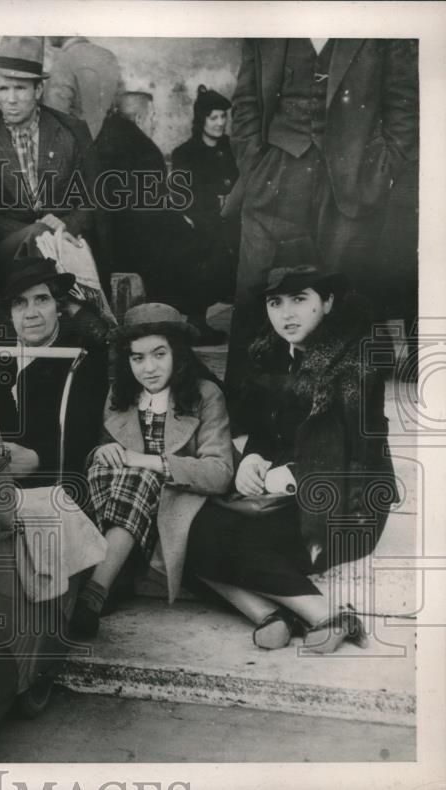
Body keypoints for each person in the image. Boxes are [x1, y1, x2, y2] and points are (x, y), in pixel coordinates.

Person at [186, 238, 397, 653]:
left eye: (300, 299)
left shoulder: (357, 365)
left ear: (329, 302)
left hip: (346, 503)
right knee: (187, 531)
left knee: (239, 543)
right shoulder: (272, 358)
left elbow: (362, 454)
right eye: (276, 303)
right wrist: (252, 460)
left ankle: (330, 617)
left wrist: (300, 474)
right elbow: (266, 434)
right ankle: (272, 615)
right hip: (284, 497)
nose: (287, 314)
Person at [223, 39, 419, 414]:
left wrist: (382, 172)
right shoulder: (269, 27)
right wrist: (255, 163)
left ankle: (330, 431)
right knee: (256, 296)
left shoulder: (380, 26)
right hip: (274, 177)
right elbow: (246, 103)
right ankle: (244, 425)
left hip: (352, 183)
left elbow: (405, 109)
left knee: (340, 304)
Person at [70, 303, 232, 638]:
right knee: (114, 470)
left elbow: (219, 472)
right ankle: (101, 587)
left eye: (159, 354)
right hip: (119, 501)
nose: (149, 368)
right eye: (137, 358)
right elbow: (102, 448)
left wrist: (154, 463)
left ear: (178, 353)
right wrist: (104, 448)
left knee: (141, 475)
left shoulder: (205, 395)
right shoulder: (121, 394)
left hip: (175, 498)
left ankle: (95, 592)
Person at [0, 36, 100, 343]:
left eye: (20, 88)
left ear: (39, 90)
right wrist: (38, 228)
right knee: (36, 236)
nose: (11, 98)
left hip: (62, 244)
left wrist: (67, 224)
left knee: (51, 240)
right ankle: (75, 308)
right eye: (3, 88)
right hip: (6, 252)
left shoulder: (71, 132)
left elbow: (93, 196)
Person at [0, 257, 109, 494]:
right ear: (10, 312)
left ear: (59, 306)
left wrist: (39, 458)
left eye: (41, 299)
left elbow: (88, 434)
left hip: (60, 486)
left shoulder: (82, 357)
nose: (31, 313)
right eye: (20, 303)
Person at [93, 91, 222, 343]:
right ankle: (194, 325)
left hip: (106, 240)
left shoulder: (103, 140)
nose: (155, 122)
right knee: (206, 243)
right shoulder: (143, 149)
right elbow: (153, 214)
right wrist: (185, 222)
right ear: (139, 117)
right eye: (153, 115)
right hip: (134, 245)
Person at [170, 84, 239, 310]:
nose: (220, 123)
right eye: (213, 118)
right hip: (203, 222)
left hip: (235, 219)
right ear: (202, 120)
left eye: (223, 117)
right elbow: (182, 197)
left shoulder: (232, 148)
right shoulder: (185, 154)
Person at [44, 36, 122, 138]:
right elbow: (121, 103)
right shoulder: (109, 56)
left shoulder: (64, 60)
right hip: (110, 143)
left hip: (77, 146)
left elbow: (54, 117)